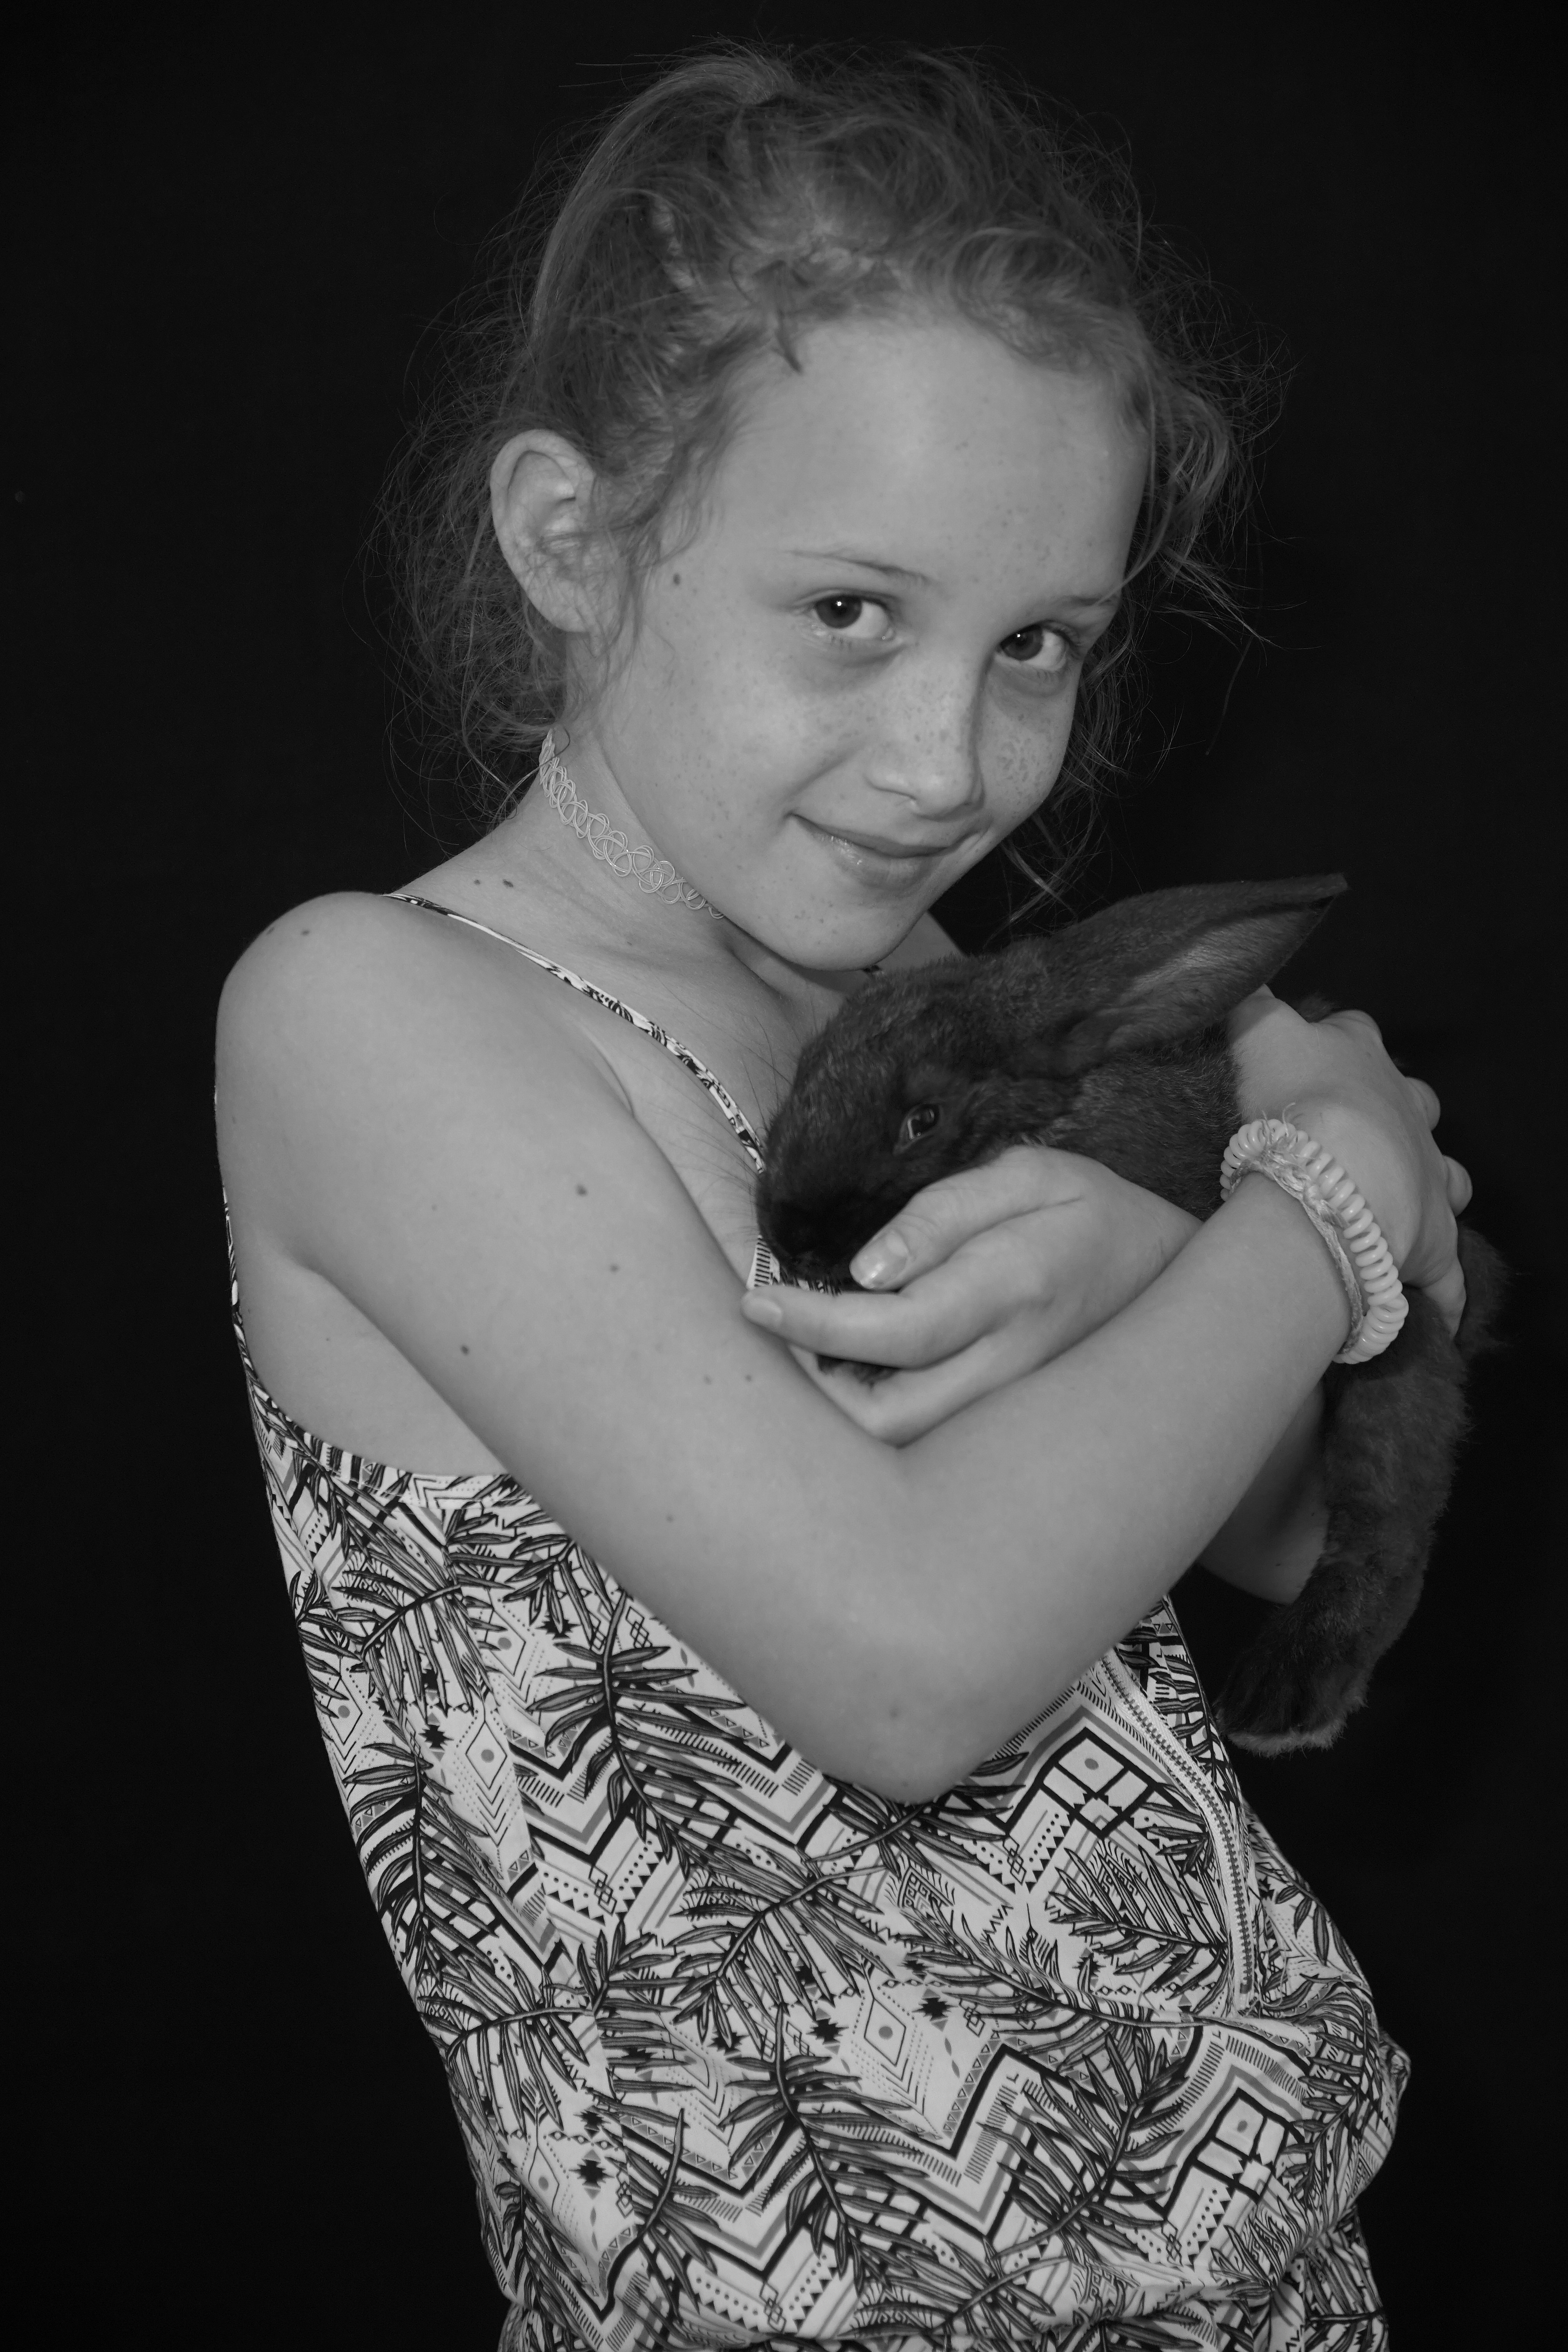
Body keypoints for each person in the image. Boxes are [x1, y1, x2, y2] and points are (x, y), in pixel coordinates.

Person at [217, 47, 1470, 2350]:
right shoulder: (372, 1012)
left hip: (1261, 2264)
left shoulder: (912, 989)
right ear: (571, 540)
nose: (947, 762)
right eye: (854, 614)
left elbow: (1288, 1530)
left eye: (1037, 646)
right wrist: (1328, 1198)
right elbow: (906, 1668)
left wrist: (1157, 1252)